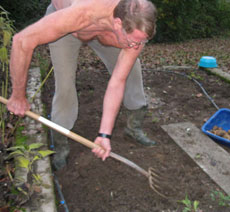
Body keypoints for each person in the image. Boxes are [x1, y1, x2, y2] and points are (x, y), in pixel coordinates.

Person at [7, 0, 157, 170]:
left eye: (141, 42)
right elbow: (21, 41)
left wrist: (104, 135)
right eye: (134, 42)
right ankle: (60, 146)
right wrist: (18, 95)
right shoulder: (81, 14)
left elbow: (117, 82)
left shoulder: (136, 26)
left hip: (104, 29)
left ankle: (133, 127)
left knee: (132, 72)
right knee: (65, 87)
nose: (136, 46)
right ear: (118, 24)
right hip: (68, 26)